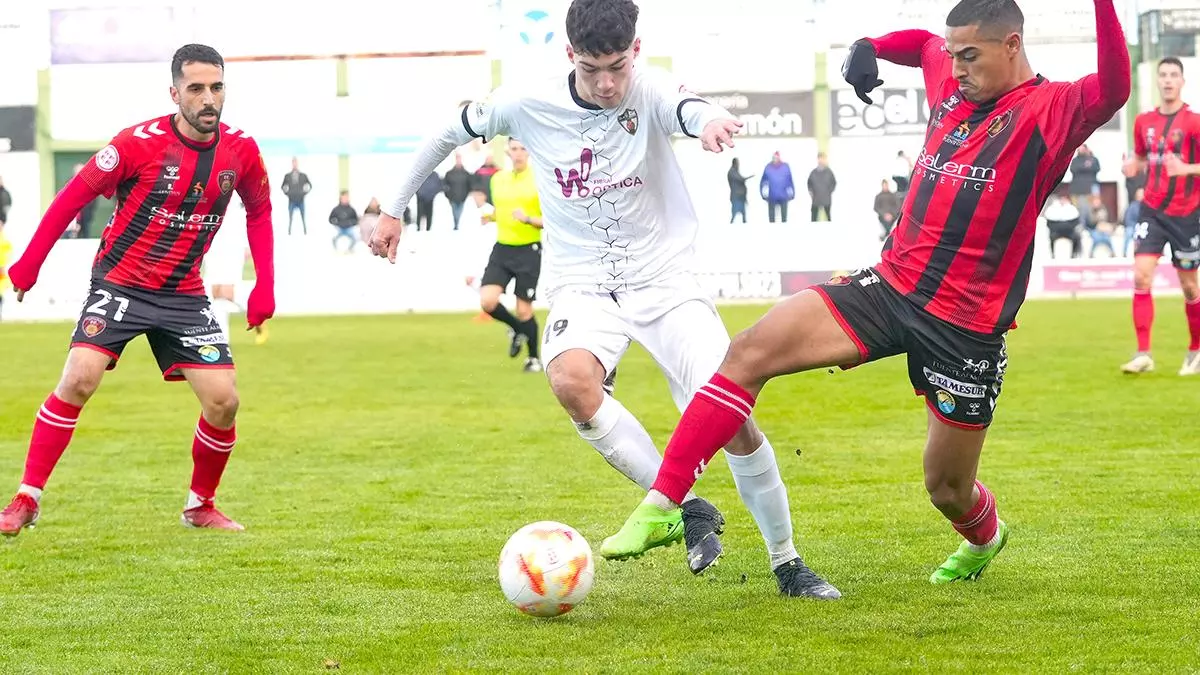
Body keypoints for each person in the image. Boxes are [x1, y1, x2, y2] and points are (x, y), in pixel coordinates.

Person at [602, 0, 1129, 587]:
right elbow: (923, 45)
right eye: (953, 55)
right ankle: (663, 503)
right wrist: (872, 45)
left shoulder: (1049, 110)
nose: (955, 68)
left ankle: (985, 536)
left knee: (946, 488)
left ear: (1012, 45)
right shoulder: (949, 75)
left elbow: (1113, 87)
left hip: (965, 327)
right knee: (751, 349)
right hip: (891, 285)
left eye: (971, 56)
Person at [369, 0, 838, 598]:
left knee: (733, 418)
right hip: (585, 284)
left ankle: (787, 562)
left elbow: (687, 107)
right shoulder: (525, 100)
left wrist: (711, 120)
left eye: (618, 65)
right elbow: (446, 132)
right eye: (593, 68)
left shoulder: (650, 89)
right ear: (571, 55)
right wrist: (393, 208)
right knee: (570, 381)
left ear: (635, 51)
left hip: (668, 282)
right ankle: (688, 507)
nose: (608, 82)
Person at [0, 44, 276, 537]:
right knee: (79, 378)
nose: (208, 99)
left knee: (223, 401)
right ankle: (26, 498)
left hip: (184, 296)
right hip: (121, 284)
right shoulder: (135, 144)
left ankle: (200, 506)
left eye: (216, 87)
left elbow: (259, 212)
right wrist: (29, 263)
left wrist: (264, 289)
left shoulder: (242, 151)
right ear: (175, 93)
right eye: (196, 89)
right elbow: (70, 200)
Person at [1120, 57, 1200, 376]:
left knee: (1190, 287)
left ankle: (1195, 350)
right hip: (1151, 210)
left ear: (1182, 81)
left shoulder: (1194, 122)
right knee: (1141, 275)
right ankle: (1143, 354)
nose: (1168, 80)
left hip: (1186, 213)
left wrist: (1187, 169)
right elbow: (1141, 155)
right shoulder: (1144, 121)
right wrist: (1133, 166)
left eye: (1173, 76)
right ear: (1157, 80)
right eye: (1163, 75)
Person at [479, 138, 545, 373]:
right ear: (507, 151)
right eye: (514, 148)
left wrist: (528, 219)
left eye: (522, 148)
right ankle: (517, 329)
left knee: (524, 309)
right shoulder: (498, 179)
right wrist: (491, 217)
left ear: (530, 151)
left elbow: (550, 220)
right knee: (487, 301)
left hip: (529, 248)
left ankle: (534, 358)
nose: (518, 153)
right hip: (503, 247)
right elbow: (503, 210)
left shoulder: (540, 178)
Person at [205, 195, 268, 346]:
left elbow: (248, 216)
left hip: (232, 245)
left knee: (227, 292)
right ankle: (222, 340)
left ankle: (258, 317)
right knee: (215, 293)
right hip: (214, 244)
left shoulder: (236, 189)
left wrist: (248, 245)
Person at [727, 158, 753, 223]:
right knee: (734, 215)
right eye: (738, 163)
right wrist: (749, 177)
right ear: (735, 163)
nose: (739, 164)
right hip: (736, 197)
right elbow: (741, 179)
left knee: (743, 215)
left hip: (741, 197)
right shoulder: (732, 172)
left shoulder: (735, 171)